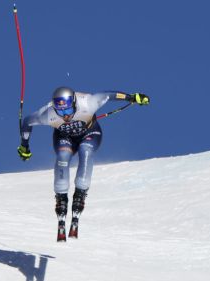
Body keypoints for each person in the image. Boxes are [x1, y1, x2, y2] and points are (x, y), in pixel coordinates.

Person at [17, 87, 150, 242]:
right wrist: (24, 146)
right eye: (60, 112)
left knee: (85, 151)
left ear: (74, 103)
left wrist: (131, 97)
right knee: (63, 156)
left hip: (90, 133)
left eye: (67, 110)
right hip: (64, 137)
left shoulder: (88, 103)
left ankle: (80, 194)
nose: (65, 115)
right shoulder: (48, 114)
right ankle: (61, 197)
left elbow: (109, 95)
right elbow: (28, 121)